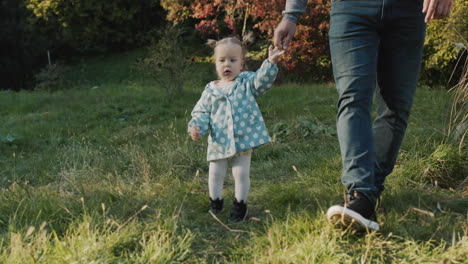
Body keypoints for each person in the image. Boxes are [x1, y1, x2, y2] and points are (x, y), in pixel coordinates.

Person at [274, 0, 453, 231]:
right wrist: (291, 15)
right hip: (351, 9)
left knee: (395, 106)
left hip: (409, 10)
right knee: (353, 98)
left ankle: (365, 199)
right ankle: (360, 192)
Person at [188, 36, 284, 221]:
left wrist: (270, 62)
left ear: (241, 63)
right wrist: (196, 126)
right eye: (222, 60)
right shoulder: (211, 90)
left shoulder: (246, 82)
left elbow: (261, 82)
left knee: (240, 173)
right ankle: (215, 201)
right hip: (219, 140)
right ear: (215, 63)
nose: (227, 65)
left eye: (233, 60)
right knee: (216, 173)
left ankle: (240, 205)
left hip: (243, 138)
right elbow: (201, 111)